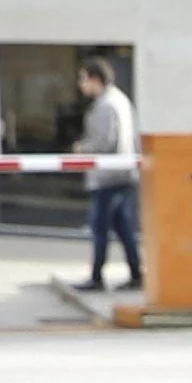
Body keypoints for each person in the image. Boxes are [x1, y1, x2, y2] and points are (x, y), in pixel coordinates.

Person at [75, 58, 138, 295]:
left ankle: (97, 276)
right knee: (123, 228)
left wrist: (83, 149)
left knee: (100, 227)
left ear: (95, 79)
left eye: (83, 79)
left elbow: (105, 141)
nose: (81, 85)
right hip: (123, 173)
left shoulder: (106, 105)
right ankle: (135, 272)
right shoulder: (120, 100)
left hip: (108, 176)